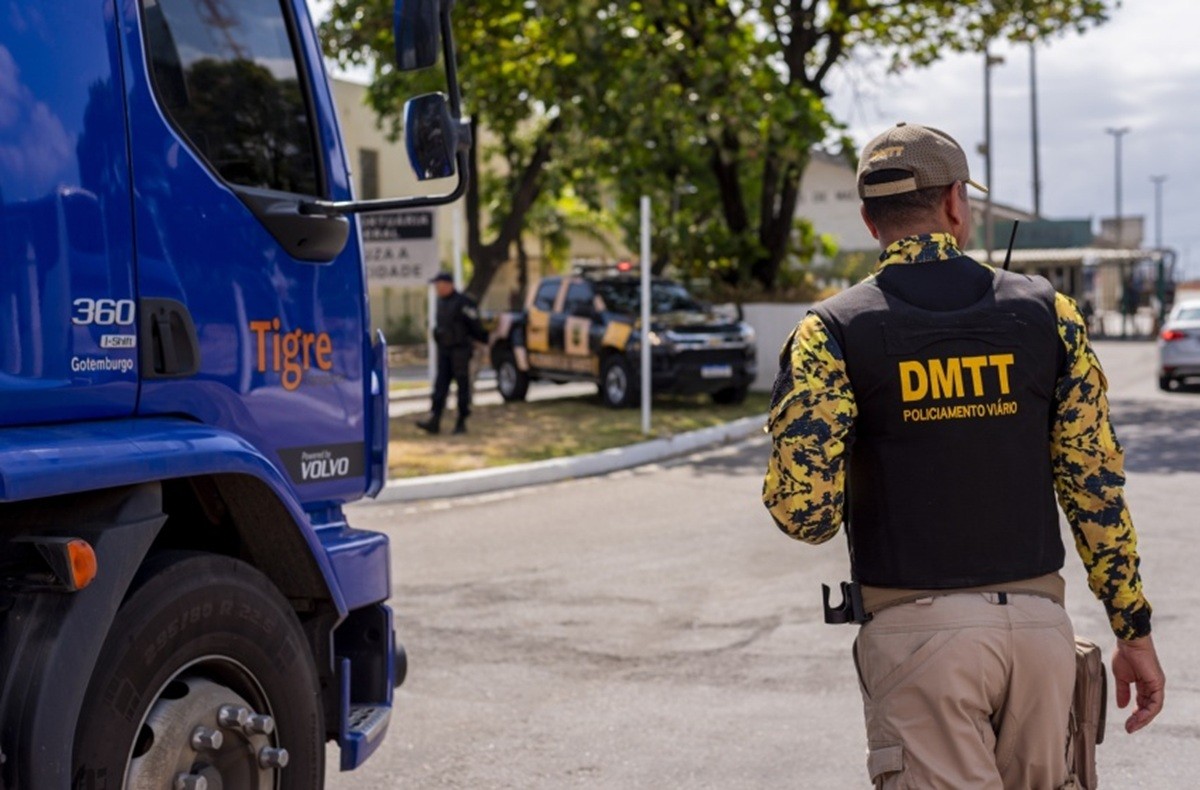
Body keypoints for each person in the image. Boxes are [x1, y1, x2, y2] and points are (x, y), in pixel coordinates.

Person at [762, 122, 1165, 789]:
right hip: (1040, 637)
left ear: (869, 219)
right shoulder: (1049, 314)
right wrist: (1134, 632)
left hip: (916, 641)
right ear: (956, 203)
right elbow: (1094, 490)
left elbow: (804, 515)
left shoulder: (831, 331)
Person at [417, 272, 488, 435]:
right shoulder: (441, 302)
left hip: (460, 351)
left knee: (462, 387)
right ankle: (434, 420)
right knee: (440, 386)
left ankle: (461, 422)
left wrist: (481, 341)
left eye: (439, 285)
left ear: (448, 284)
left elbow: (476, 326)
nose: (437, 288)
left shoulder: (463, 302)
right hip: (445, 351)